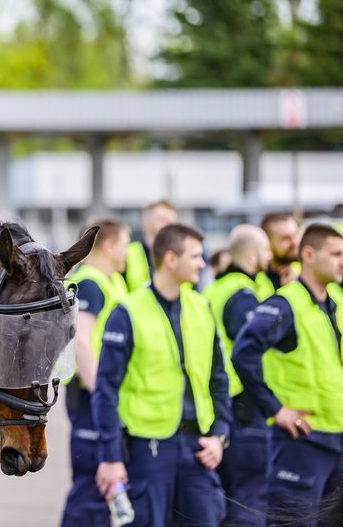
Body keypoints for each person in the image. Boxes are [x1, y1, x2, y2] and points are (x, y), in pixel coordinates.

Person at [93, 223, 232, 527]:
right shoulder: (127, 312)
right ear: (171, 259)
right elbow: (106, 390)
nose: (203, 263)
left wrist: (220, 435)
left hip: (198, 448)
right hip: (149, 450)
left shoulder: (201, 307)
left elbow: (219, 379)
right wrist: (111, 457)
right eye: (195, 256)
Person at [231, 223, 343, 527]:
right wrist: (276, 409)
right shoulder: (285, 304)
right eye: (335, 254)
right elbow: (243, 353)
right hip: (302, 442)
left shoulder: (337, 300)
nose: (342, 260)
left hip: (338, 440)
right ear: (308, 255)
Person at [61, 218, 130, 527]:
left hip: (98, 397)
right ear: (110, 244)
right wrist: (102, 395)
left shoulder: (110, 281)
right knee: (92, 491)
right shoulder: (90, 282)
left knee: (104, 496)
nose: (128, 253)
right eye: (126, 244)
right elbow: (81, 343)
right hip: (92, 398)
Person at [202, 224, 273, 526]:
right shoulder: (242, 294)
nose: (269, 257)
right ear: (252, 254)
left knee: (226, 496)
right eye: (266, 250)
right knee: (248, 498)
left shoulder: (215, 288)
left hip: (218, 403)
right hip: (242, 404)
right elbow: (252, 351)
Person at [124, 200, 178, 292]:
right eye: (162, 219)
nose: (168, 224)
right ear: (145, 223)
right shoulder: (127, 253)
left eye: (171, 220)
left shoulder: (180, 255)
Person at [257, 212, 301, 297]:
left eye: (295, 235)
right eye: (286, 238)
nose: (295, 242)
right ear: (267, 242)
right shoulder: (256, 281)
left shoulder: (308, 272)